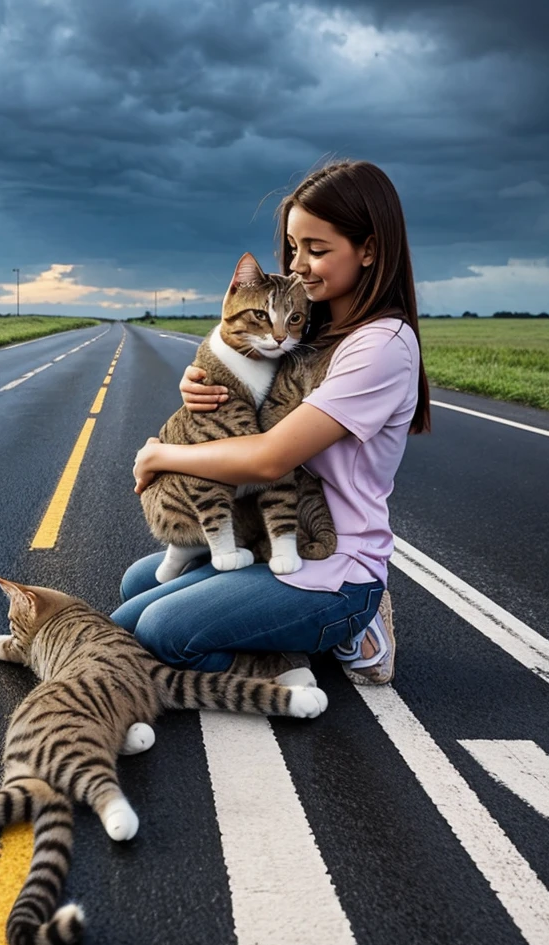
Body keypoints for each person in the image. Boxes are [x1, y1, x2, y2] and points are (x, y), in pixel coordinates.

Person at [113, 160, 430, 686]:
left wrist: (159, 455)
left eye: (319, 250)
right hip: (268, 530)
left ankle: (344, 629)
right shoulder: (307, 323)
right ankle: (281, 634)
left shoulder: (381, 347)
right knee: (137, 585)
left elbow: (271, 456)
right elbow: (238, 376)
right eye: (293, 248)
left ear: (369, 250)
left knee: (154, 631)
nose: (301, 265)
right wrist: (198, 382)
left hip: (335, 562)